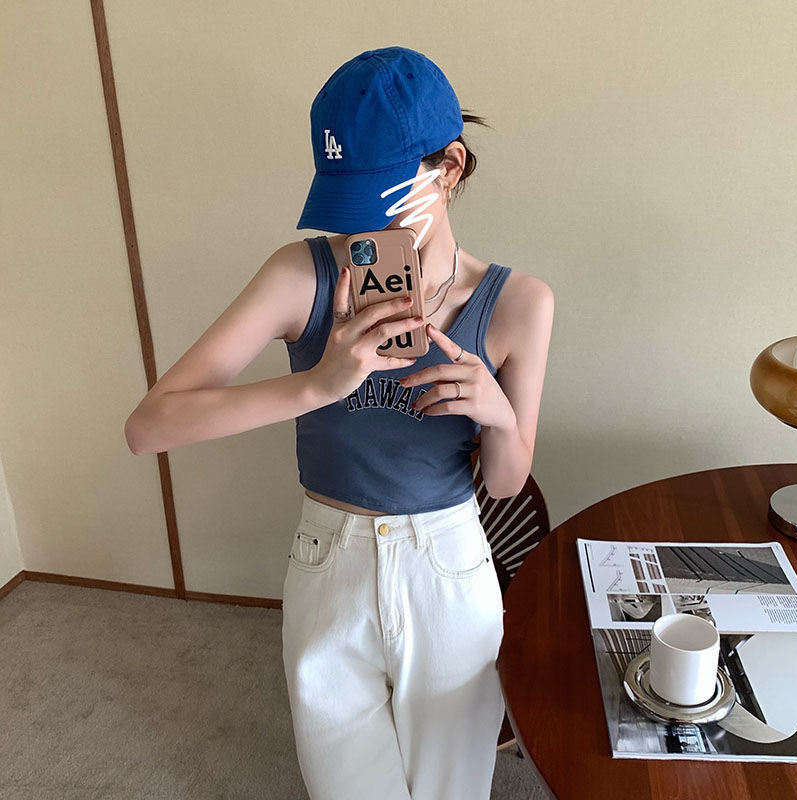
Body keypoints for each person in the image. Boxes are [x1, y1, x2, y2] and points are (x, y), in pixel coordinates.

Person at [125, 45, 553, 800]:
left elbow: (507, 481)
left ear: (450, 167)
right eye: (346, 204)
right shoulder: (301, 275)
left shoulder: (519, 303)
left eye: (380, 201)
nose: (361, 230)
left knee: (452, 790)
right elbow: (149, 427)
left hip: (450, 566)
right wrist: (318, 384)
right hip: (330, 561)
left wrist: (495, 413)